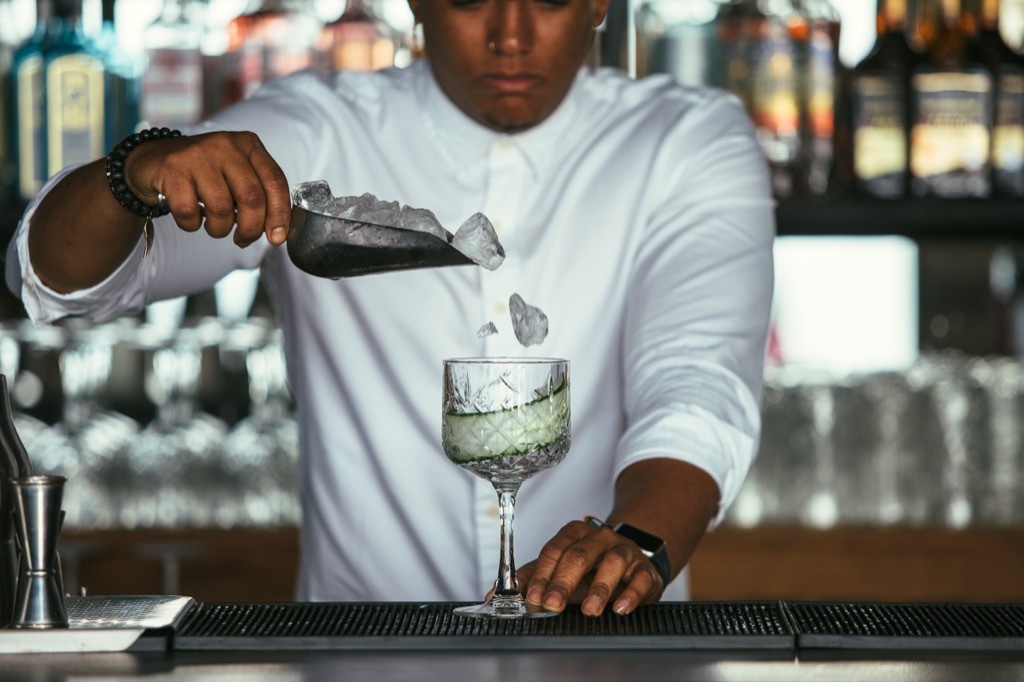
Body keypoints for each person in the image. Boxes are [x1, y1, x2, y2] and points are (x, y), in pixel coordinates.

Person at [6, 0, 774, 617]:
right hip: (358, 650)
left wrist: (638, 541)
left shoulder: (685, 139)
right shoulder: (314, 127)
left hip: (604, 652)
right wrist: (135, 172)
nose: (511, 36)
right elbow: (57, 281)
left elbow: (696, 384)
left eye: (548, 0)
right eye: (471, 1)